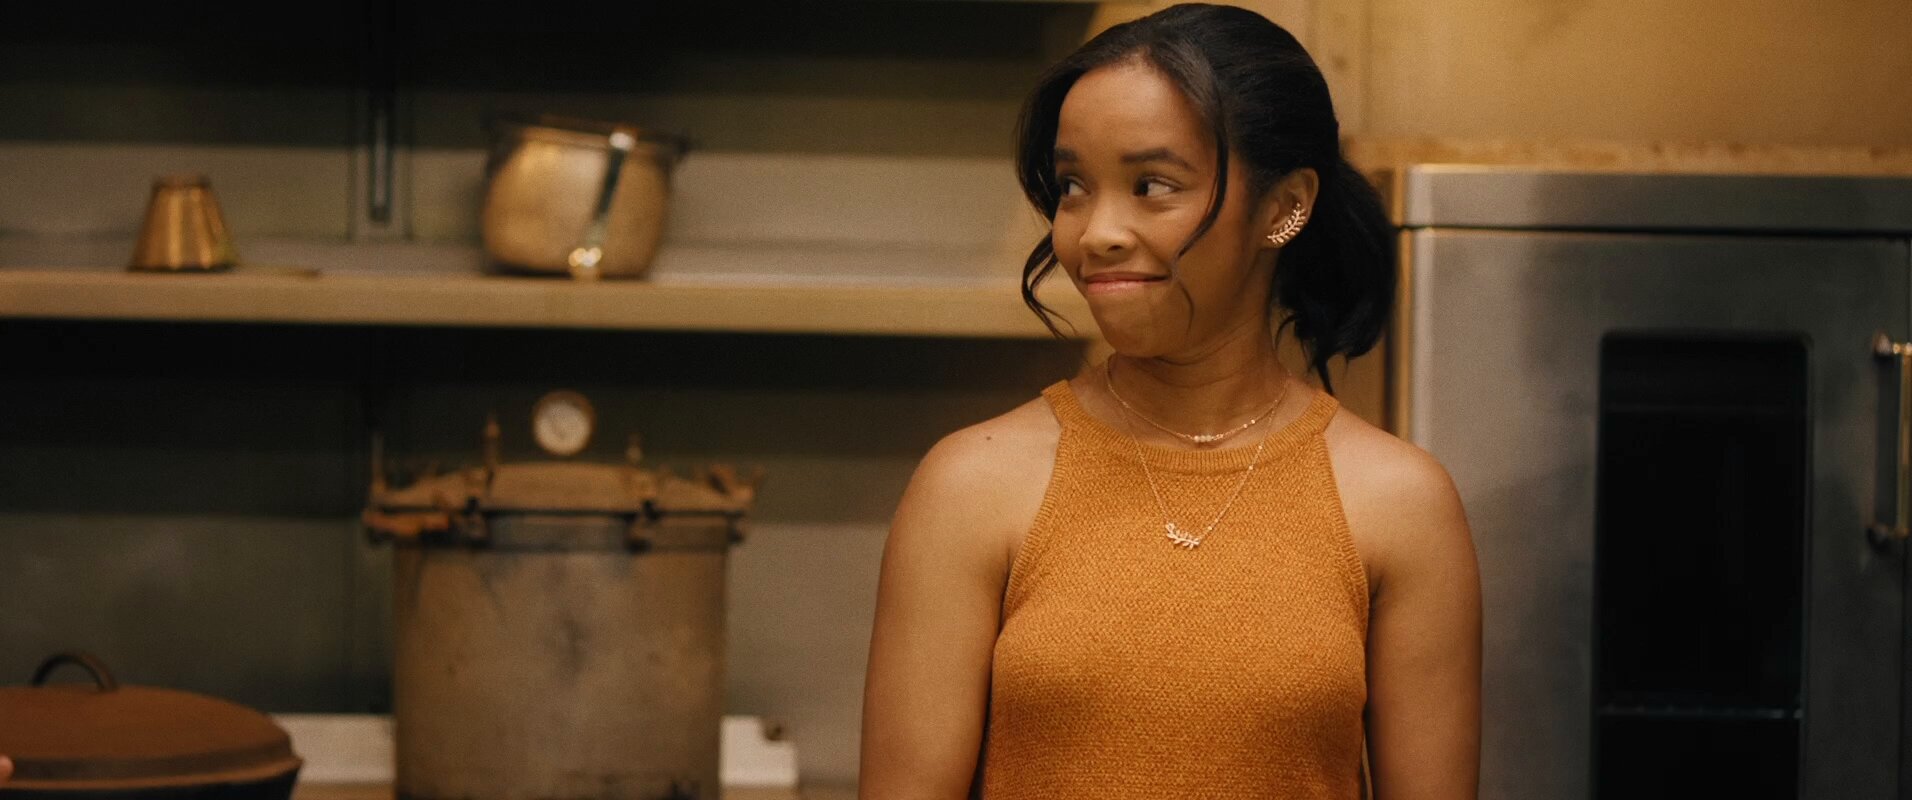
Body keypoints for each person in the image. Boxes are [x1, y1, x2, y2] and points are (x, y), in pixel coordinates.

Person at [858, 4, 1480, 798]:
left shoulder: (1400, 504)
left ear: (1283, 206)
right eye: (1074, 186)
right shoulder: (970, 486)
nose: (1096, 233)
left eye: (1151, 185)